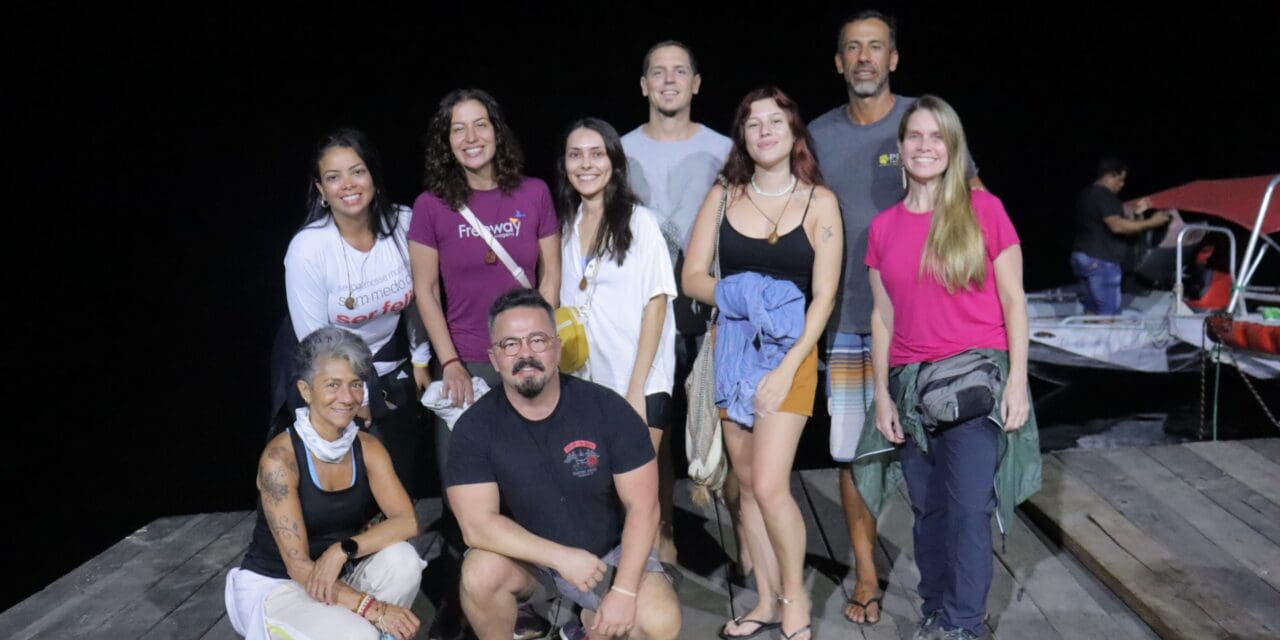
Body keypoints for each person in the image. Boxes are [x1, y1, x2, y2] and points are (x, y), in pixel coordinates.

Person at [808, 11, 982, 623]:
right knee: (853, 456)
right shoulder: (817, 136)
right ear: (838, 62)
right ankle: (864, 574)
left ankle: (950, 585)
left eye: (875, 47)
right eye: (852, 48)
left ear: (893, 58)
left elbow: (976, 206)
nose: (863, 58)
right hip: (854, 323)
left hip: (938, 332)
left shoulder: (922, 124)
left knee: (940, 461)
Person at [863, 95, 1036, 640]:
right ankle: (935, 610)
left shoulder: (985, 211)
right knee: (928, 512)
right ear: (900, 149)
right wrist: (884, 397)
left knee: (966, 510)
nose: (925, 146)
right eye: (915, 136)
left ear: (953, 148)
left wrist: (1019, 382)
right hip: (910, 389)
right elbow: (882, 317)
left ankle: (965, 624)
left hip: (975, 386)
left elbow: (1014, 303)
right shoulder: (883, 228)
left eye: (937, 137)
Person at [684, 87, 842, 640]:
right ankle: (767, 601)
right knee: (746, 486)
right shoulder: (725, 196)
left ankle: (795, 599)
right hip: (732, 351)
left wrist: (788, 366)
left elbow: (823, 298)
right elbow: (692, 276)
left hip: (790, 356)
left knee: (772, 484)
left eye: (776, 121)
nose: (765, 131)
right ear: (742, 138)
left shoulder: (818, 202)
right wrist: (746, 295)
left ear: (794, 132)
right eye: (753, 124)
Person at [409, 88, 561, 639]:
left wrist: (540, 349)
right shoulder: (431, 207)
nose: (471, 138)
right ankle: (466, 601)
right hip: (469, 364)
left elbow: (549, 279)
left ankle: (527, 598)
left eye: (480, 126)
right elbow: (425, 292)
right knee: (464, 493)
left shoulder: (535, 193)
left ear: (497, 131)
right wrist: (448, 360)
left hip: (525, 364)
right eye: (458, 129)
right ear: (445, 143)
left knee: (531, 485)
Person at [448, 288, 681, 640]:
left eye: (537, 340)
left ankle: (587, 625)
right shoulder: (473, 427)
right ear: (494, 358)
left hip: (608, 555)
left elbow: (644, 507)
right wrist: (562, 558)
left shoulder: (607, 408)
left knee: (659, 622)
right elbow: (477, 527)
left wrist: (624, 591)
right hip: (531, 561)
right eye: (510, 345)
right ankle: (528, 619)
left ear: (557, 346)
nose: (525, 354)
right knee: (479, 573)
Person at [225, 326, 424, 640]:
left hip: (335, 576)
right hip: (279, 585)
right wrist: (373, 609)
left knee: (404, 561)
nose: (347, 398)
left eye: (355, 384)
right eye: (333, 385)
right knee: (361, 634)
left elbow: (407, 522)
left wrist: (342, 550)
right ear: (306, 391)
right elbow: (297, 566)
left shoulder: (368, 447)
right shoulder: (280, 459)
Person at [621, 40, 732, 566]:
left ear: (696, 82)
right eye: (657, 72)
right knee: (654, 438)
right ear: (643, 85)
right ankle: (662, 537)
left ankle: (748, 549)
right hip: (646, 317)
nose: (668, 80)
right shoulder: (615, 151)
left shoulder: (725, 148)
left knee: (730, 434)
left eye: (679, 71)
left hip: (711, 314)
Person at [278, 127, 430, 498]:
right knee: (342, 489)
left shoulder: (405, 224)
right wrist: (355, 396)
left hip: (390, 368)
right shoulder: (308, 249)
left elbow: (419, 300)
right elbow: (315, 343)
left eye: (357, 171)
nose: (348, 184)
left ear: (374, 176)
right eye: (333, 177)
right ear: (321, 189)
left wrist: (422, 360)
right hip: (329, 373)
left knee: (396, 483)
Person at [557, 117, 677, 511]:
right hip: (587, 383)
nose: (586, 164)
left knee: (638, 496)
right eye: (576, 155)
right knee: (599, 492)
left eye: (597, 153)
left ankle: (647, 571)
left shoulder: (641, 222)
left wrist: (636, 390)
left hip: (637, 382)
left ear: (614, 161)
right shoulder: (567, 227)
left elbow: (656, 305)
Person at [1071, 157, 1171, 315]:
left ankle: (1091, 337)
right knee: (1107, 312)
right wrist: (1153, 222)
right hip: (1101, 261)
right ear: (1109, 175)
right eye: (1120, 179)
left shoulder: (1086, 194)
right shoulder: (1105, 196)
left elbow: (1115, 226)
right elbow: (1117, 226)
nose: (1122, 184)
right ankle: (1105, 339)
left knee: (1092, 309)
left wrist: (1138, 213)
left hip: (1081, 258)